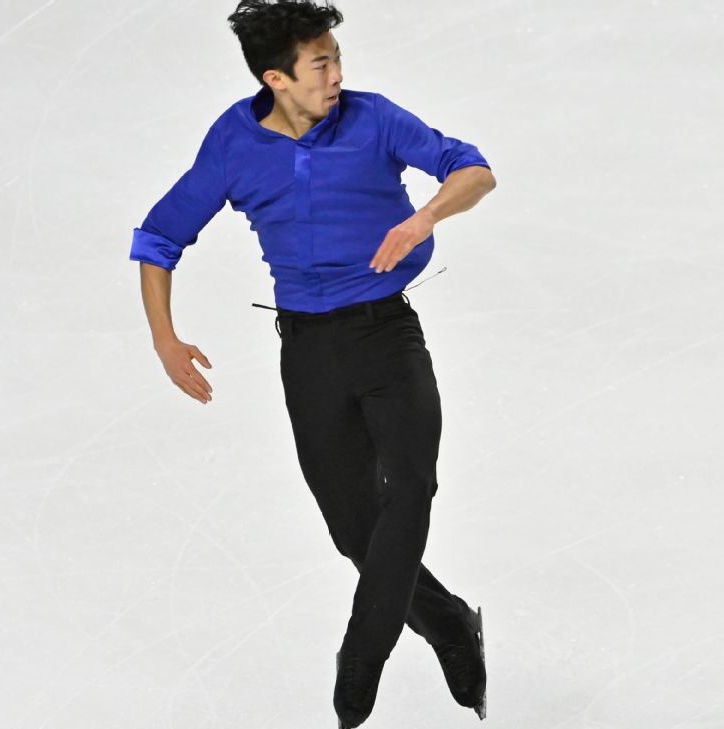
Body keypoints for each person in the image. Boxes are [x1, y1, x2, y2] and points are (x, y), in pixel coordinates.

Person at [127, 2, 496, 727]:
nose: (336, 76)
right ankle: (450, 622)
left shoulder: (374, 118)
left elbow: (475, 170)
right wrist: (164, 339)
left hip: (389, 336)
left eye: (337, 59)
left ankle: (363, 656)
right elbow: (159, 237)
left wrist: (425, 216)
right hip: (309, 351)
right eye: (320, 64)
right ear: (277, 79)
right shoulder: (233, 143)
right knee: (354, 529)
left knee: (411, 487)